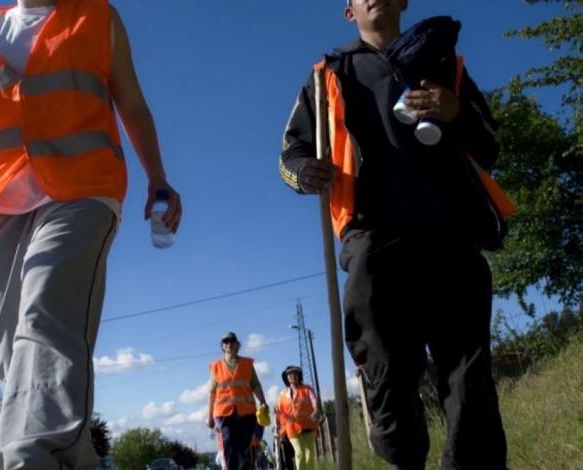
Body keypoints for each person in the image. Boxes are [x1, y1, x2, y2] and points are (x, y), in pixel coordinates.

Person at [0, 1, 182, 468]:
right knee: (12, 348)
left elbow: (130, 101)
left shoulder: (97, 18)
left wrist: (158, 177)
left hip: (82, 191)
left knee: (47, 314)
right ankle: (76, 459)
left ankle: (29, 459)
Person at [277, 1, 513, 469]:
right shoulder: (328, 75)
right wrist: (305, 172)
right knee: (386, 369)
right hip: (372, 240)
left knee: (468, 375)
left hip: (451, 235)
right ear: (350, 12)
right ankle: (404, 459)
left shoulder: (448, 66)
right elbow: (289, 153)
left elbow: (490, 147)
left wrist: (456, 111)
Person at [207, 332, 269, 470]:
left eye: (232, 341)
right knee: (229, 446)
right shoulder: (216, 367)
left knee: (246, 448)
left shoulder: (247, 364)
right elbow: (211, 393)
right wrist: (209, 417)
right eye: (226, 341)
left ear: (237, 344)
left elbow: (256, 385)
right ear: (223, 346)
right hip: (225, 414)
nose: (229, 343)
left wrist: (263, 402)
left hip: (246, 413)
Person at [276, 366, 318, 470]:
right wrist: (278, 426)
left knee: (309, 455)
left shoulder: (307, 389)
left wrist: (315, 411)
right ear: (286, 378)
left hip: (309, 425)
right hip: (293, 428)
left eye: (295, 374)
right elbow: (279, 412)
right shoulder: (283, 394)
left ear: (299, 376)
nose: (293, 376)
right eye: (290, 375)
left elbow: (314, 401)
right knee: (300, 453)